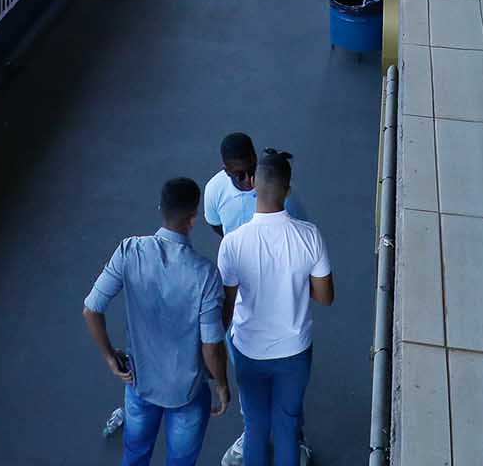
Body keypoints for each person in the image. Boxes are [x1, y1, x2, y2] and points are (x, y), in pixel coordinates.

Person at [83, 176, 230, 466]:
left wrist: (111, 357)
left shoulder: (129, 251)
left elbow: (91, 309)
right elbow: (211, 346)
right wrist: (222, 385)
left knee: (135, 455)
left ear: (160, 208)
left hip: (139, 383)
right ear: (192, 219)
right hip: (186, 395)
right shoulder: (205, 275)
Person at [215, 150, 330, 466]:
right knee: (287, 425)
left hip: (249, 350)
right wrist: (292, 280)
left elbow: (226, 304)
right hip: (294, 352)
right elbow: (325, 296)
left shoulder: (233, 243)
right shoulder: (310, 236)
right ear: (288, 190)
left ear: (252, 183)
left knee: (255, 426)